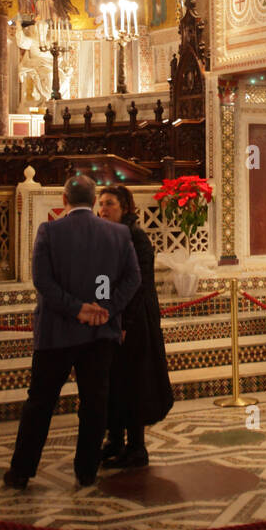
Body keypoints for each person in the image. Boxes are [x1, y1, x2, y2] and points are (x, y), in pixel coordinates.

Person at [5, 175, 141, 489]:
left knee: (40, 403)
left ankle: (21, 472)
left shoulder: (50, 231)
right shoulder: (119, 234)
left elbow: (43, 281)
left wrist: (76, 308)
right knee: (94, 403)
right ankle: (86, 471)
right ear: (94, 202)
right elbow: (132, 280)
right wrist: (106, 308)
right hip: (100, 334)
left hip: (56, 334)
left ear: (64, 200)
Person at [97, 185, 173, 468]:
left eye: (110, 204)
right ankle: (114, 440)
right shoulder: (105, 235)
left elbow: (137, 284)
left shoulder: (136, 237)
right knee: (113, 379)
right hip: (112, 317)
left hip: (136, 320)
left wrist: (126, 322)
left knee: (134, 380)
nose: (104, 209)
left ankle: (136, 446)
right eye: (101, 204)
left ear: (125, 207)